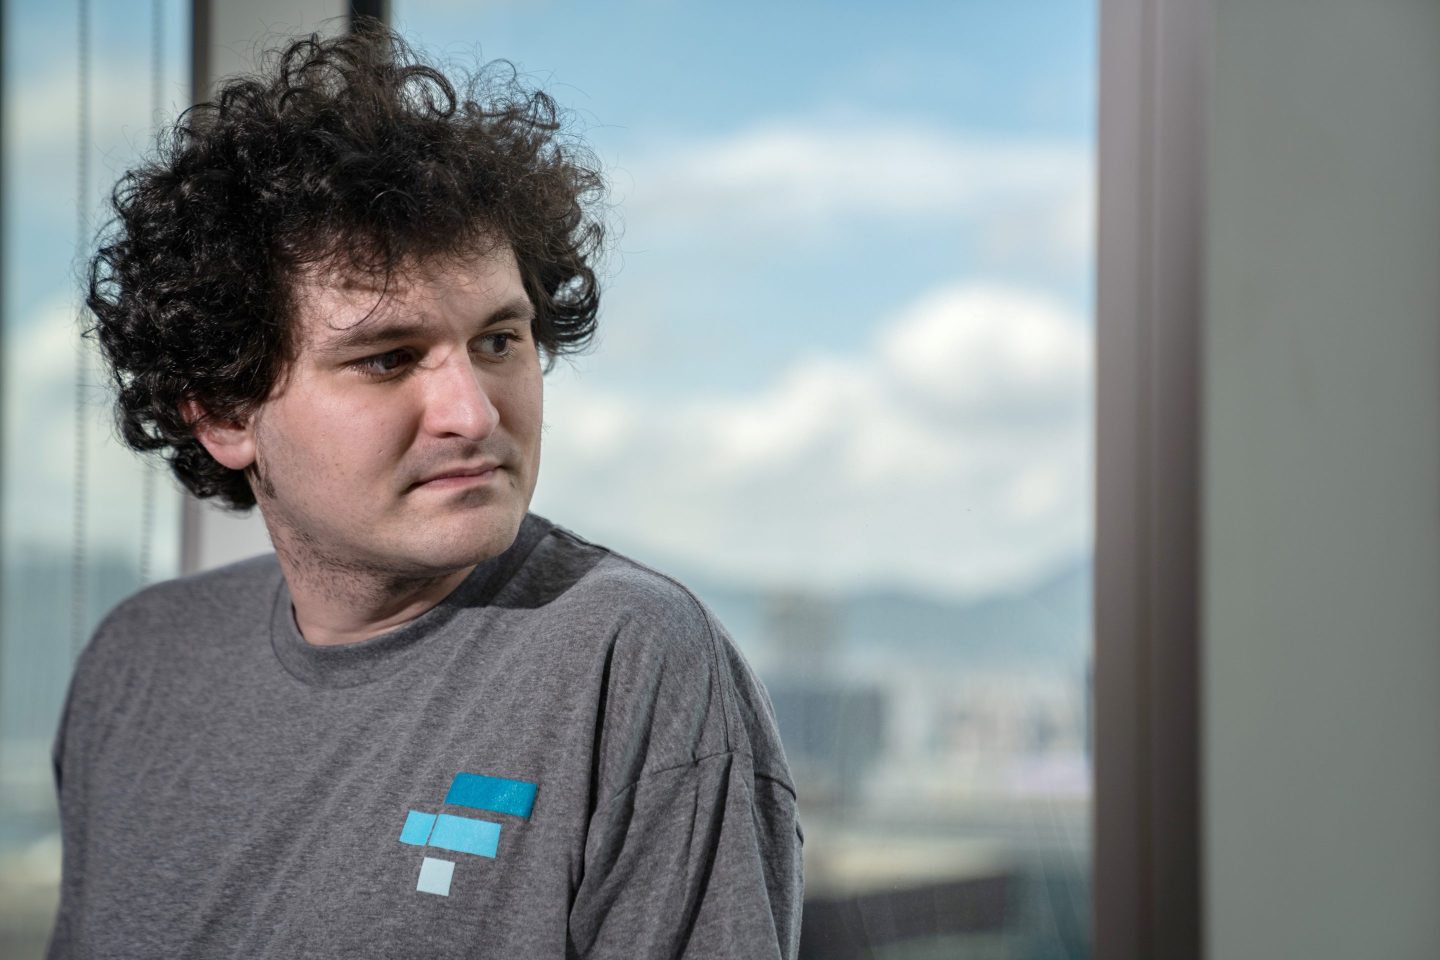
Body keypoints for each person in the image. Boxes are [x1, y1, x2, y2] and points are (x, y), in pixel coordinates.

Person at [48, 22, 803, 959]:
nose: (472, 413)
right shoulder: (137, 664)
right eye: (388, 358)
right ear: (224, 414)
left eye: (499, 341)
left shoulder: (628, 657)